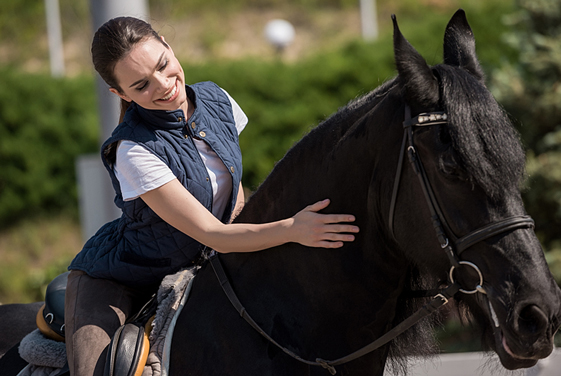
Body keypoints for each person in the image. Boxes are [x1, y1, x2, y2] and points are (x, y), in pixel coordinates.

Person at [64, 16, 359, 376]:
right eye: (141, 85)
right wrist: (293, 228)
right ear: (121, 95)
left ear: (169, 47)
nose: (164, 85)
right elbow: (211, 233)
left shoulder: (217, 99)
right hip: (120, 277)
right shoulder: (131, 149)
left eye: (163, 64)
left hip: (204, 261)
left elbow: (232, 196)